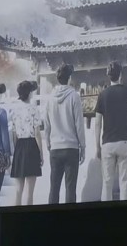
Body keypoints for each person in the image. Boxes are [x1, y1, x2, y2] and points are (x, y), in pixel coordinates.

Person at [94, 62, 127, 201]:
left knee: (107, 183)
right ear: (120, 75)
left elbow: (97, 123)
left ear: (109, 76)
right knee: (124, 183)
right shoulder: (126, 90)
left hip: (107, 144)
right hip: (124, 142)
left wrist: (97, 147)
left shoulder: (102, 95)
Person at [45, 64, 86, 204]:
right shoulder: (74, 96)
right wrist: (83, 146)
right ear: (69, 78)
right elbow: (79, 124)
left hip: (55, 148)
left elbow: (47, 124)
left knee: (54, 188)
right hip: (71, 148)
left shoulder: (50, 98)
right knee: (70, 188)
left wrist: (48, 143)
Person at [8, 80, 43, 206]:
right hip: (32, 146)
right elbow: (37, 133)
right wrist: (41, 154)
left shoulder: (14, 110)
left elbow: (13, 134)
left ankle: (15, 214)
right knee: (29, 191)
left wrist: (15, 151)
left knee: (18, 190)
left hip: (19, 146)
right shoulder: (34, 109)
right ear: (29, 93)